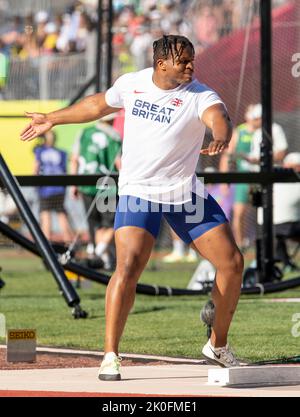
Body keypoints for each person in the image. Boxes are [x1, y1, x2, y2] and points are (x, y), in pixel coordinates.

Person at [20, 35, 244, 379]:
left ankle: (217, 344)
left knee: (232, 263)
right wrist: (53, 117)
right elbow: (97, 105)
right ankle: (110, 354)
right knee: (128, 266)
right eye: (183, 60)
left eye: (192, 59)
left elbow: (219, 118)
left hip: (185, 194)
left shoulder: (201, 94)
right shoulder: (133, 83)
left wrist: (220, 136)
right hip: (140, 191)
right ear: (161, 64)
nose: (190, 65)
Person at [70, 114, 122, 269]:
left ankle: (101, 257)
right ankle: (97, 254)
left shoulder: (84, 133)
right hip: (107, 185)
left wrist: (74, 183)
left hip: (86, 183)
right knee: (110, 224)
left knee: (95, 224)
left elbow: (74, 159)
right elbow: (119, 162)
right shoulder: (114, 136)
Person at [220, 104, 257, 249]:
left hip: (259, 178)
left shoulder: (264, 132)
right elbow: (227, 156)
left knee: (258, 212)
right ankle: (240, 244)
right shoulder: (239, 132)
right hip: (242, 179)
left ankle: (256, 243)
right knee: (239, 212)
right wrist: (224, 180)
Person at [34, 130, 73, 241]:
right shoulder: (62, 152)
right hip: (59, 188)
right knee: (61, 214)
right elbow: (65, 170)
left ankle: (46, 243)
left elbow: (36, 168)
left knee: (45, 215)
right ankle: (68, 241)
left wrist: (35, 183)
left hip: (45, 188)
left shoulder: (39, 151)